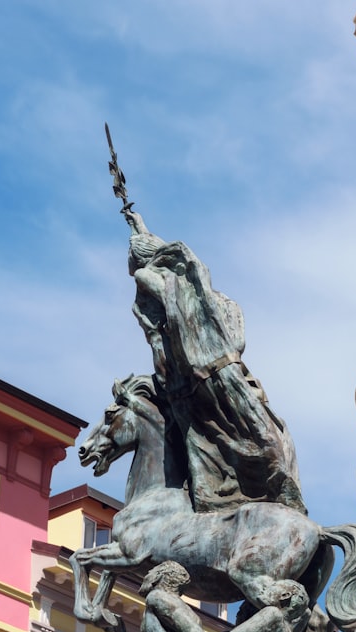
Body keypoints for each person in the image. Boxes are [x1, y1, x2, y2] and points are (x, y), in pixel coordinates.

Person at [123, 205, 305, 515]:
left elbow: (157, 285)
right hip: (211, 370)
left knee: (241, 428)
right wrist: (141, 231)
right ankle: (223, 492)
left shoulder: (161, 281)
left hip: (204, 372)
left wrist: (143, 252)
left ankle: (275, 480)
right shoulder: (203, 290)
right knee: (224, 431)